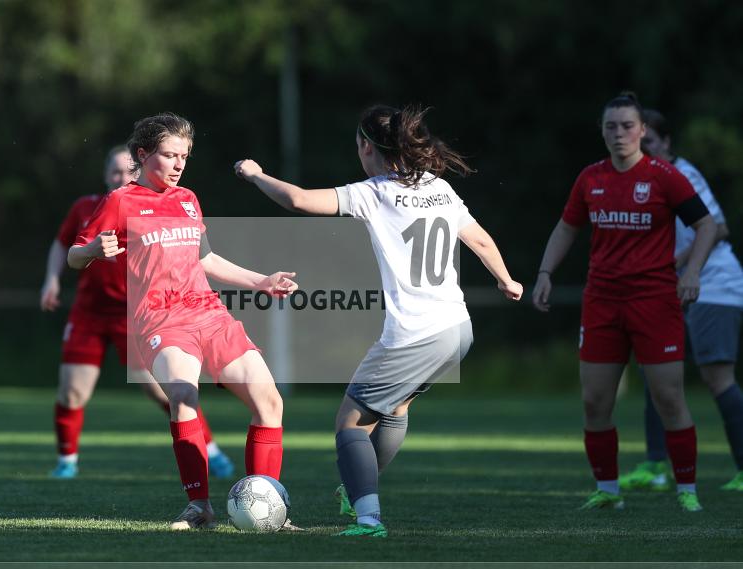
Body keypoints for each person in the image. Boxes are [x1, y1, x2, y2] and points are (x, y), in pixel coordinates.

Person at [234, 104, 523, 537]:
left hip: (413, 333)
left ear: (367, 147)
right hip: (457, 329)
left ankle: (367, 518)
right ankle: (357, 493)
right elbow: (478, 238)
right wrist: (506, 278)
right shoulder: (439, 188)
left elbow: (297, 199)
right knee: (395, 406)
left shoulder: (375, 191)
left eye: (357, 145)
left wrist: (255, 173)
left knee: (349, 423)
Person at [68, 114, 298, 530]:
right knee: (183, 396)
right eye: (170, 155)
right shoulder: (121, 200)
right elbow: (74, 255)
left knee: (270, 403)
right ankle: (199, 507)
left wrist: (260, 281)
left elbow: (204, 259)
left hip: (208, 313)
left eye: (184, 157)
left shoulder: (188, 198)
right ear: (143, 154)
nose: (178, 165)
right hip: (160, 319)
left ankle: (269, 508)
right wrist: (92, 252)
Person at [532, 92, 717, 512]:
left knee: (669, 398)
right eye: (611, 126)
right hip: (602, 301)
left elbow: (705, 226)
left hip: (654, 301)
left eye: (627, 126)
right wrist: (545, 273)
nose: (619, 133)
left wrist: (691, 271)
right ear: (602, 131)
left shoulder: (664, 176)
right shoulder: (590, 179)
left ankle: (687, 490)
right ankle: (608, 491)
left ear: (643, 130)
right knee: (595, 401)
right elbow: (566, 229)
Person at [41, 146, 235, 480]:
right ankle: (66, 462)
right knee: (72, 392)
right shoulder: (88, 208)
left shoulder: (149, 205)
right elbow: (65, 245)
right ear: (105, 175)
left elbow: (193, 253)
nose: (120, 177)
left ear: (137, 171)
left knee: (166, 391)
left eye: (126, 171)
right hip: (89, 314)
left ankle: (211, 451)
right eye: (114, 172)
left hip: (137, 314)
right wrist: (52, 280)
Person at [618, 109, 743, 493]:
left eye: (651, 141)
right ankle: (656, 466)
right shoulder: (639, 178)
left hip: (714, 285)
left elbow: (717, 226)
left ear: (667, 143)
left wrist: (679, 264)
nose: (645, 148)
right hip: (671, 288)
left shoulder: (682, 173)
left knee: (716, 377)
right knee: (656, 373)